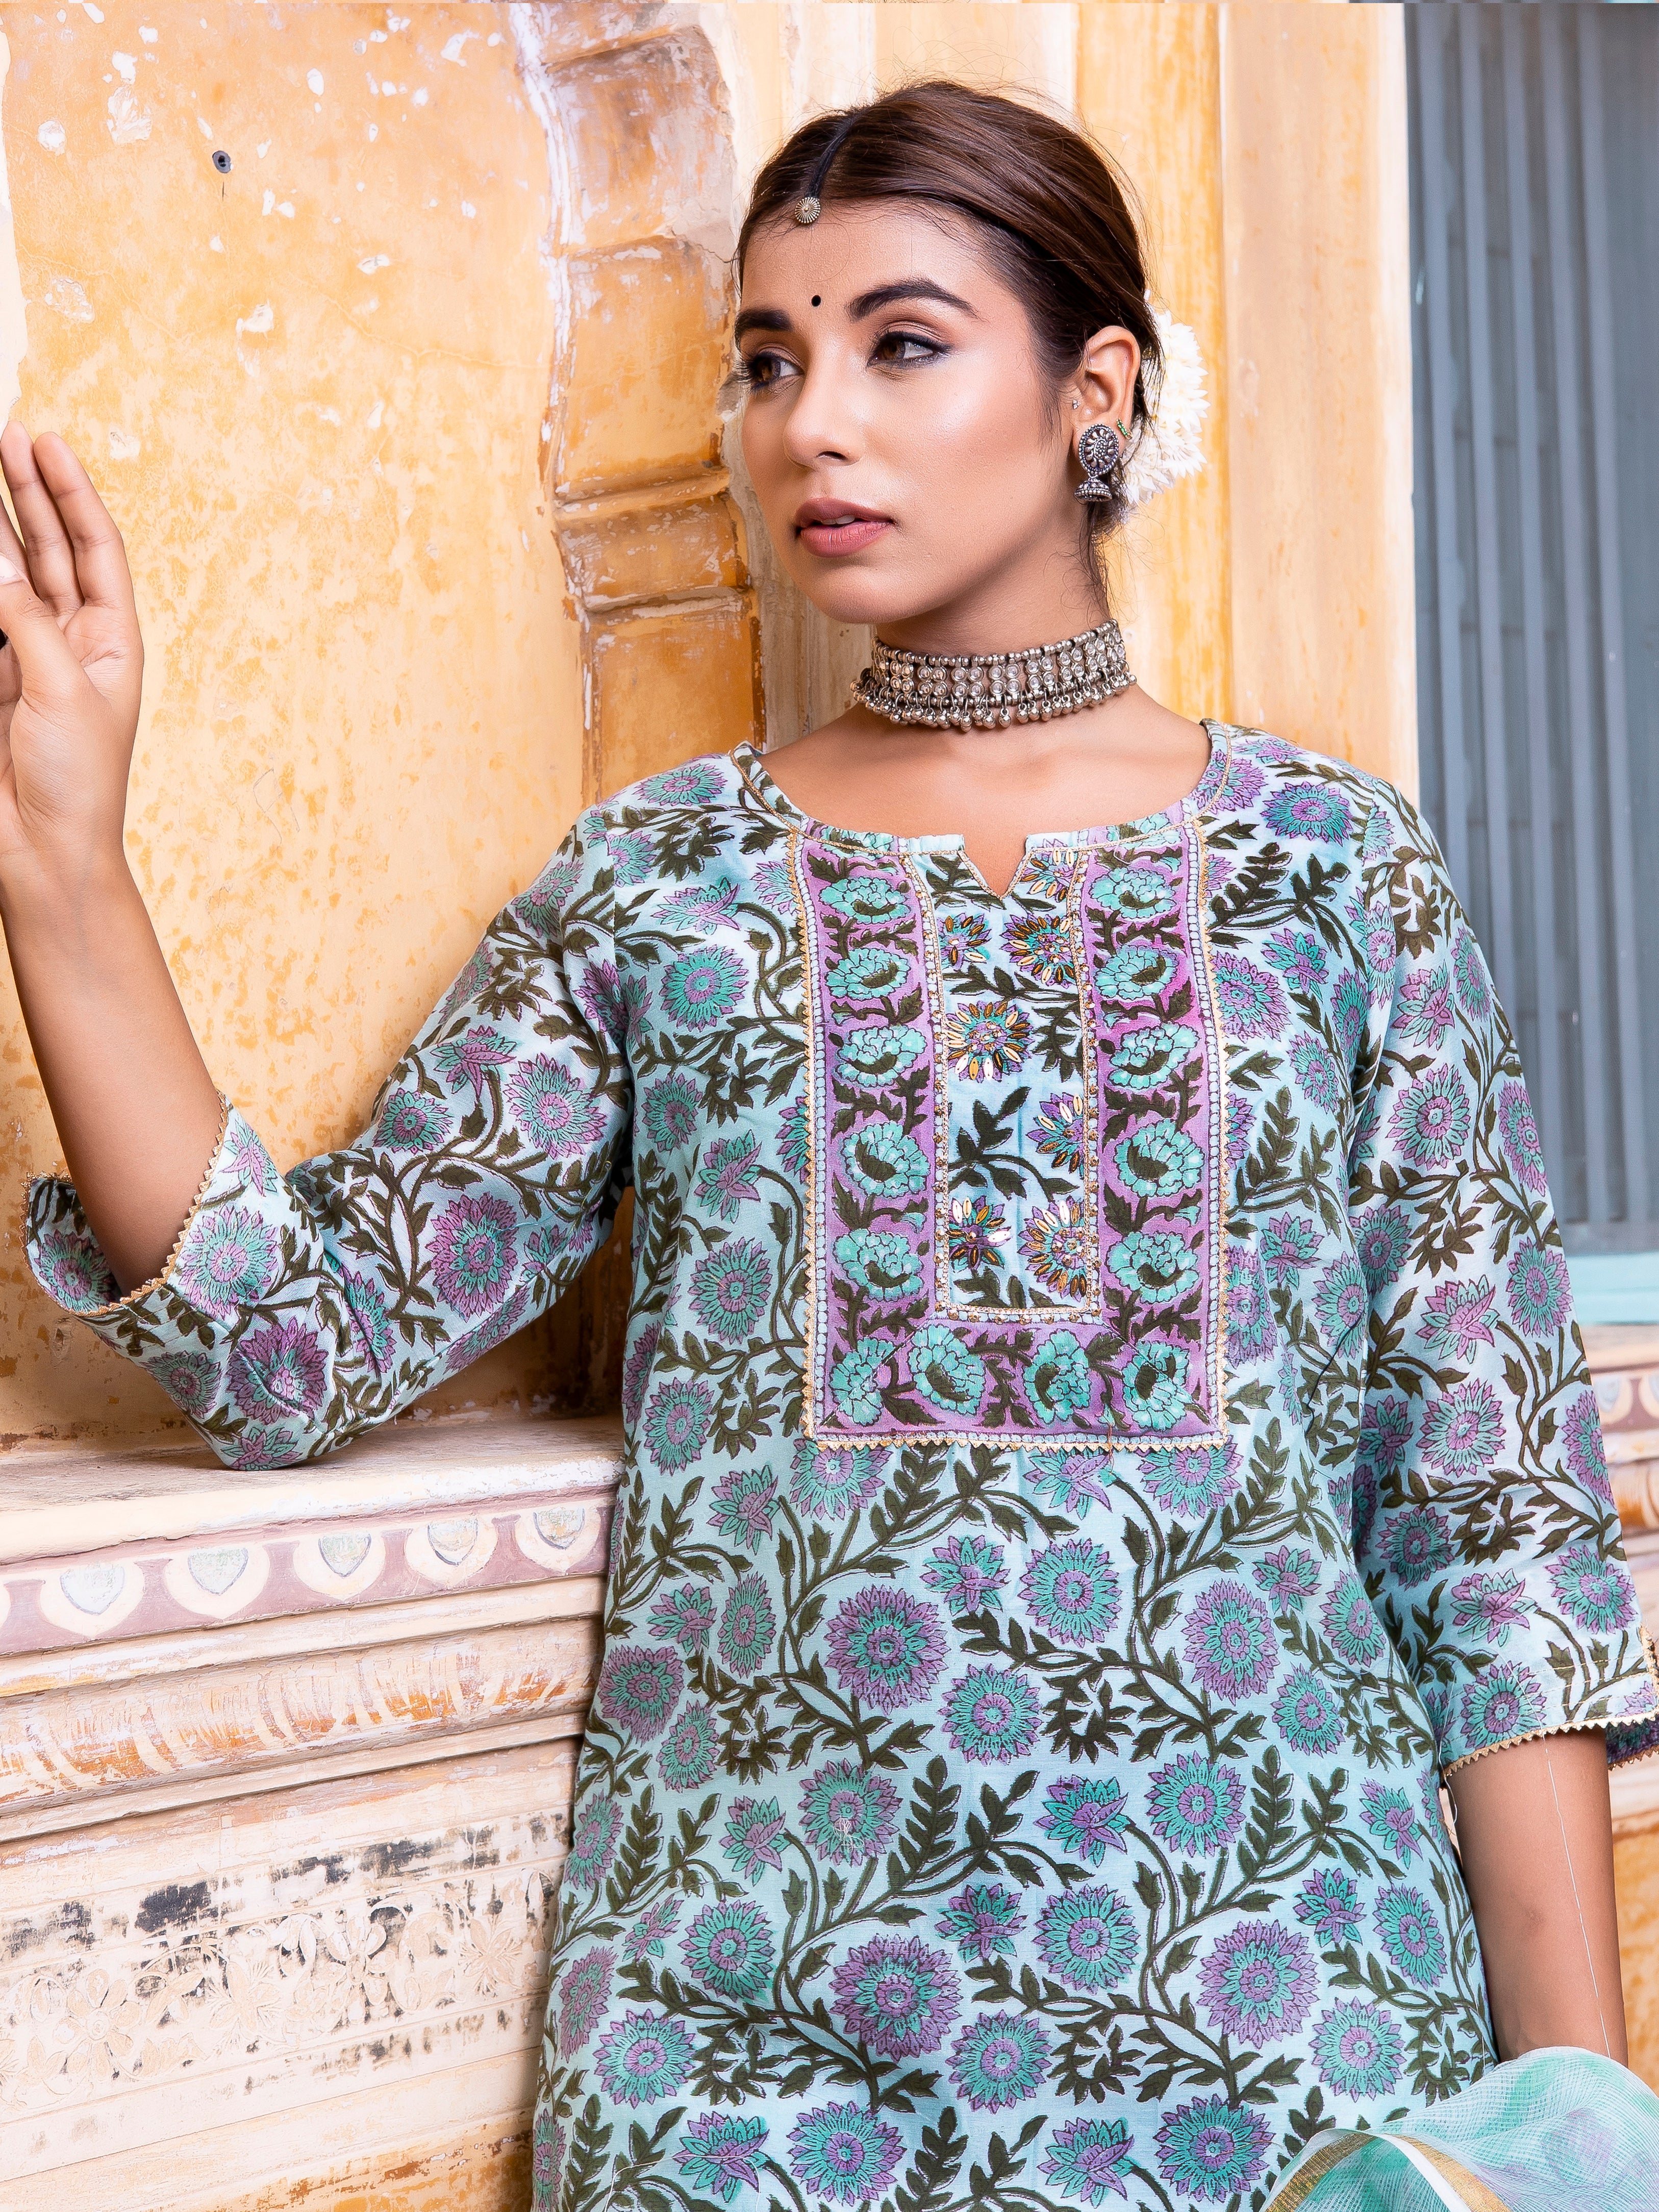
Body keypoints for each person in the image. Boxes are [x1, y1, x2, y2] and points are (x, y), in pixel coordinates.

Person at [3, 77, 1656, 2212]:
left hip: (1305, 2064)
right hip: (759, 2087)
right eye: (769, 362)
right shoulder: (658, 887)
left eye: (901, 344)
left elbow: (1491, 1526)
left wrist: (1578, 2132)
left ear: (1092, 391)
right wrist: (63, 860)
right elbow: (285, 1341)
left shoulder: (1336, 874)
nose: (812, 425)